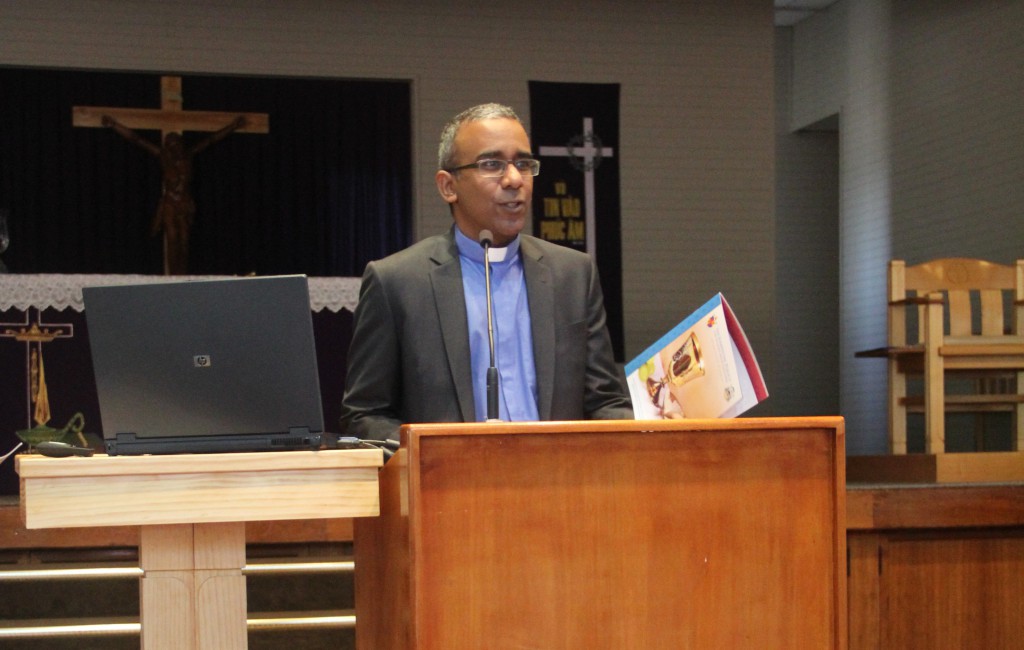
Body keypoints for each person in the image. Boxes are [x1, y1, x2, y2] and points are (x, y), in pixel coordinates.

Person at [340, 103, 632, 441]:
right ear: (448, 186)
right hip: (450, 485)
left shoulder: (573, 274)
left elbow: (606, 401)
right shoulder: (398, 282)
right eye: (492, 164)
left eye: (523, 164)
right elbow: (364, 414)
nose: (513, 179)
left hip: (558, 481)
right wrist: (434, 452)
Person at [102, 114, 246, 274]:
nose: (173, 147)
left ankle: (181, 275)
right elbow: (138, 140)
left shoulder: (188, 156)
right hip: (170, 202)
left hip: (184, 202)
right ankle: (172, 277)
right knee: (172, 238)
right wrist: (114, 125)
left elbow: (211, 140)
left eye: (175, 144)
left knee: (184, 240)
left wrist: (233, 127)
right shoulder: (164, 158)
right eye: (169, 144)